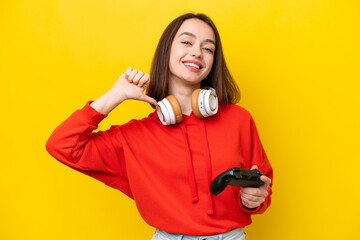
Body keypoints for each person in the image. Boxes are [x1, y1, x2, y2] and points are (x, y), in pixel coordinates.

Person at [46, 13, 273, 240]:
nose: (197, 52)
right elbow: (62, 145)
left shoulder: (239, 120)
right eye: (186, 42)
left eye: (208, 49)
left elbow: (262, 188)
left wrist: (255, 199)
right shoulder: (134, 136)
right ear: (166, 51)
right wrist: (115, 95)